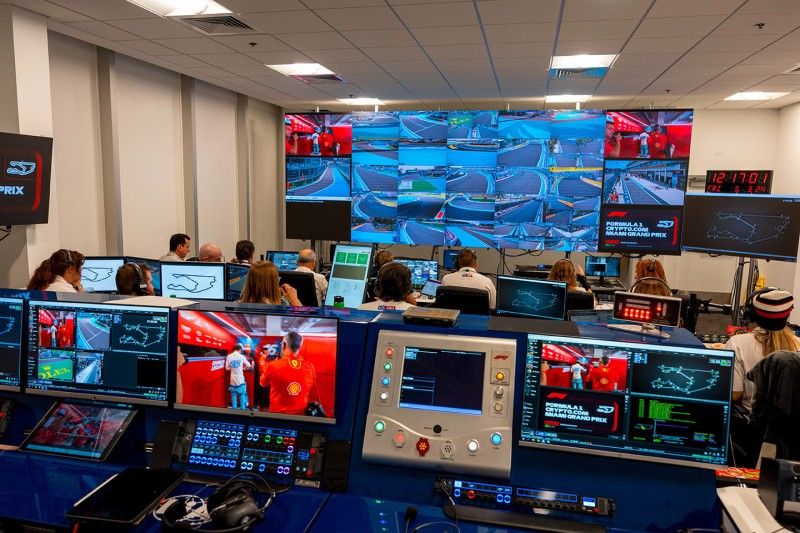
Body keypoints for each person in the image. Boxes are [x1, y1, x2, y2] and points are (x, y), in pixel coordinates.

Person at [726, 289, 800, 413]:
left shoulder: (737, 343)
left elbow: (734, 394)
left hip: (753, 421)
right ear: (787, 314)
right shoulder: (798, 343)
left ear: (752, 315)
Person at [259, 331, 320, 416]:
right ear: (299, 347)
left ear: (284, 345)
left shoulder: (273, 365)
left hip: (277, 415)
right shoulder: (310, 367)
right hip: (301, 416)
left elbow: (262, 383)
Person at [225, 343, 252, 410]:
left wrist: (233, 368)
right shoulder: (241, 356)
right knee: (242, 395)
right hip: (240, 379)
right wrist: (241, 368)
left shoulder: (229, 356)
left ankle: (234, 411)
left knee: (233, 396)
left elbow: (227, 368)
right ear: (240, 349)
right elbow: (249, 365)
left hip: (232, 379)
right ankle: (242, 410)